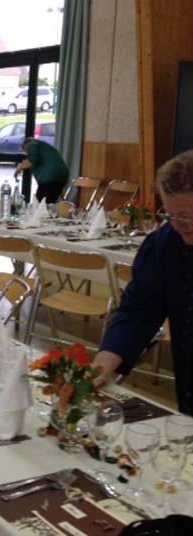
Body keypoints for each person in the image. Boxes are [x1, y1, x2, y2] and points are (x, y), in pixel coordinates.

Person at [93, 150, 193, 414]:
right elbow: (140, 309)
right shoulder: (165, 243)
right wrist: (106, 360)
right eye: (171, 215)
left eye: (187, 216)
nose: (179, 225)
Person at [14, 137, 69, 203]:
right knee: (48, 203)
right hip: (61, 177)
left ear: (25, 145)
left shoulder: (32, 144)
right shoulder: (44, 147)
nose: (27, 153)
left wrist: (19, 167)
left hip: (49, 178)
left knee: (40, 204)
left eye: (26, 151)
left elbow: (31, 161)